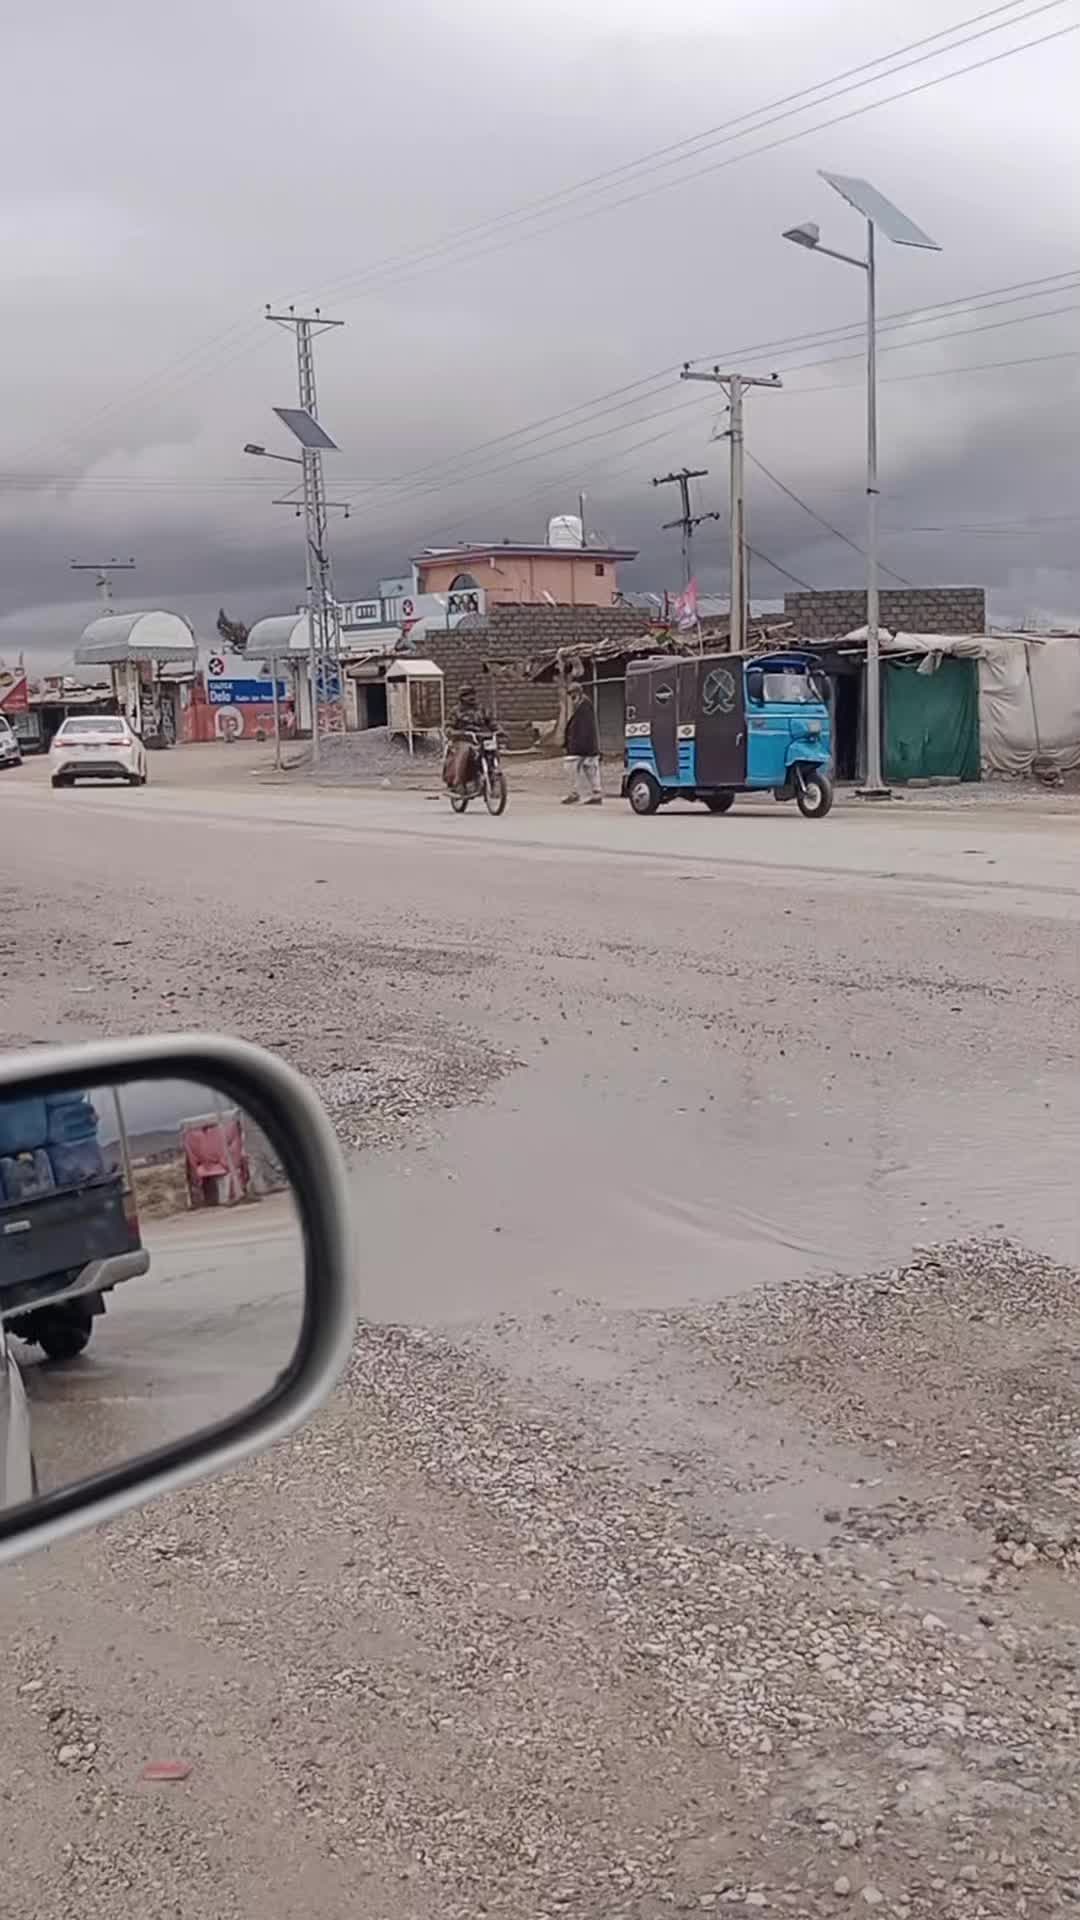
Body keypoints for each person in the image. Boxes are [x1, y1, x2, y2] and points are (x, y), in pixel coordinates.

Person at [445, 684, 492, 792]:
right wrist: (453, 732)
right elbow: (448, 726)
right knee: (465, 751)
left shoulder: (481, 709)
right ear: (461, 697)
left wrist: (499, 730)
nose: (471, 697)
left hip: (480, 739)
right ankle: (458, 782)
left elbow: (491, 722)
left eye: (472, 694)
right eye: (467, 695)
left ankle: (492, 775)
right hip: (462, 740)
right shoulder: (456, 711)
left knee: (492, 749)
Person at [562, 685, 602, 805]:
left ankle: (576, 794)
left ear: (578, 693)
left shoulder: (585, 706)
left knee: (571, 767)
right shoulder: (580, 705)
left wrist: (575, 745)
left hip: (582, 746)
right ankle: (595, 793)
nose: (571, 697)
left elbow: (585, 728)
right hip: (584, 745)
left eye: (572, 694)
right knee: (589, 769)